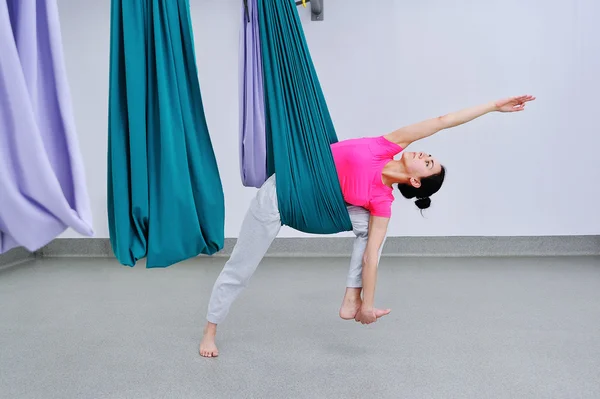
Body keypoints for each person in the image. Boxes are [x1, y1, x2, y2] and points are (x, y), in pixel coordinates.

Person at [199, 94, 536, 357]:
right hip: (280, 194)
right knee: (240, 267)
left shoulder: (382, 200)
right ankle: (210, 330)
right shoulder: (385, 146)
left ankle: (353, 301)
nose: (424, 154)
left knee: (372, 233)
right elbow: (443, 121)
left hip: (317, 207)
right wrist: (493, 106)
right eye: (428, 155)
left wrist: (368, 304)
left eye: (428, 162)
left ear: (417, 182)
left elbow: (371, 257)